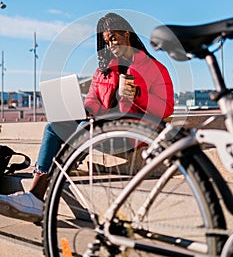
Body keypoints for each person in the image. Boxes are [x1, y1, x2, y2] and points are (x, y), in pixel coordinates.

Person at [0, 12, 174, 222]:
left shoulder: (153, 67)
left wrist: (139, 94)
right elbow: (93, 101)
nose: (110, 45)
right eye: (106, 41)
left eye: (113, 38)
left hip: (132, 132)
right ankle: (36, 196)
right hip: (100, 130)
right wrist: (82, 110)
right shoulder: (103, 71)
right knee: (53, 127)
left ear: (127, 33)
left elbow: (167, 109)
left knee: (83, 129)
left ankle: (42, 192)